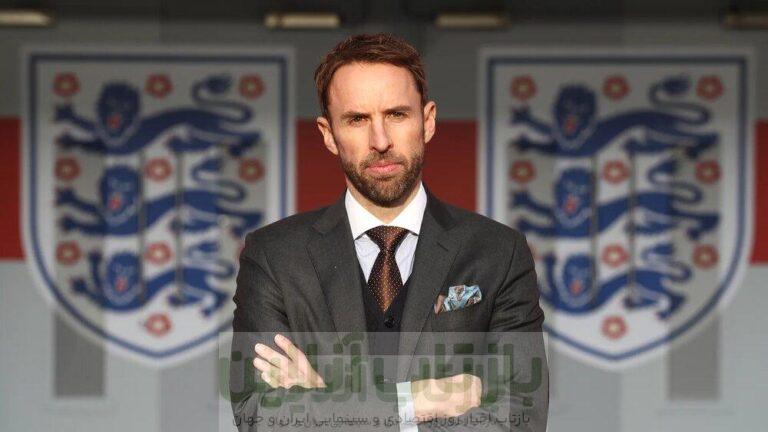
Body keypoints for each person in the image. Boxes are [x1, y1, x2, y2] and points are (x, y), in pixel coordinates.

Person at [229, 33, 548, 431]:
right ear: (328, 134)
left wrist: (327, 399)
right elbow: (261, 416)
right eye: (357, 119)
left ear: (427, 121)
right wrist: (416, 401)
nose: (380, 141)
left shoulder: (499, 252)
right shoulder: (274, 256)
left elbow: (520, 419)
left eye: (396, 114)